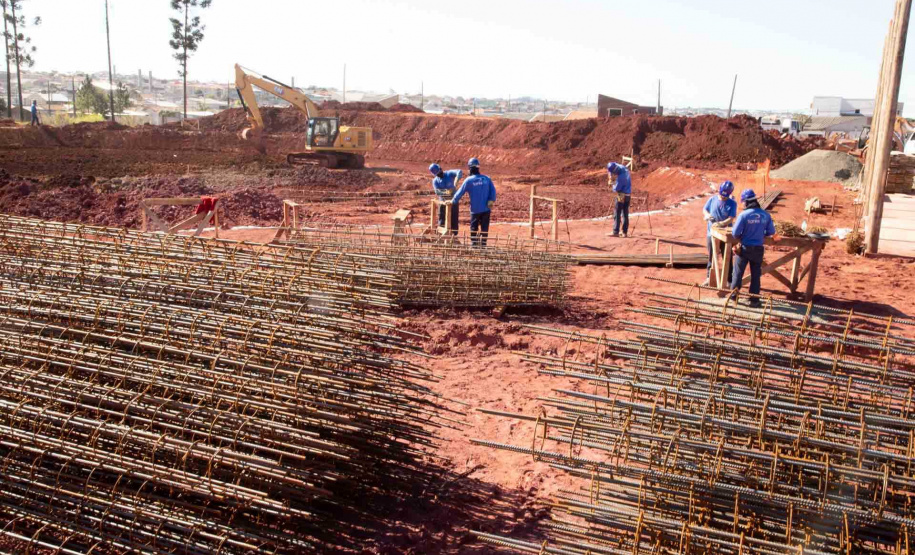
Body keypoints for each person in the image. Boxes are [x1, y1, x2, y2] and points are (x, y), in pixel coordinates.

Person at [729, 189, 776, 307]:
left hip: (744, 248)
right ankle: (754, 300)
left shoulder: (744, 215)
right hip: (758, 249)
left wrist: (743, 236)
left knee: (738, 273)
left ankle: (734, 297)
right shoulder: (765, 215)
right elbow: (771, 231)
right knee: (756, 275)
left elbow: (735, 233)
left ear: (746, 202)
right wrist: (759, 232)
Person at [450, 157, 496, 247]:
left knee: (474, 228)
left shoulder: (469, 180)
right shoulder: (487, 179)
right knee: (484, 228)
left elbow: (460, 192)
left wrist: (453, 201)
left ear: (470, 168)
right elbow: (493, 191)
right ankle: (483, 244)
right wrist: (491, 200)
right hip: (486, 209)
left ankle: (474, 244)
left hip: (475, 210)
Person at [703, 181, 737, 285]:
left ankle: (729, 280)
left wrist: (722, 223)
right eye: (722, 195)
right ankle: (709, 277)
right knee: (712, 256)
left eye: (725, 196)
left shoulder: (732, 203)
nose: (723, 197)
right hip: (711, 233)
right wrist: (707, 215)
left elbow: (731, 218)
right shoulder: (712, 199)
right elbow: (705, 209)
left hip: (725, 235)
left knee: (727, 257)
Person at [428, 163, 462, 234]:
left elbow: (459, 171)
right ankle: (441, 233)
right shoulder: (435, 181)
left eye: (439, 172)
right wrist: (447, 192)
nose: (439, 174)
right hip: (443, 202)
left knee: (454, 218)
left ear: (441, 169)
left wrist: (456, 179)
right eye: (437, 174)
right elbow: (437, 192)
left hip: (453, 201)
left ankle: (454, 235)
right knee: (442, 218)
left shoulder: (449, 174)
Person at [607, 162, 632, 237]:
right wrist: (610, 176)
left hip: (621, 195)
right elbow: (610, 169)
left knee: (617, 212)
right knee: (625, 213)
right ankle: (624, 232)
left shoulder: (621, 177)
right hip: (628, 194)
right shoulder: (622, 167)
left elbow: (616, 189)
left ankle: (616, 231)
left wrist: (612, 183)